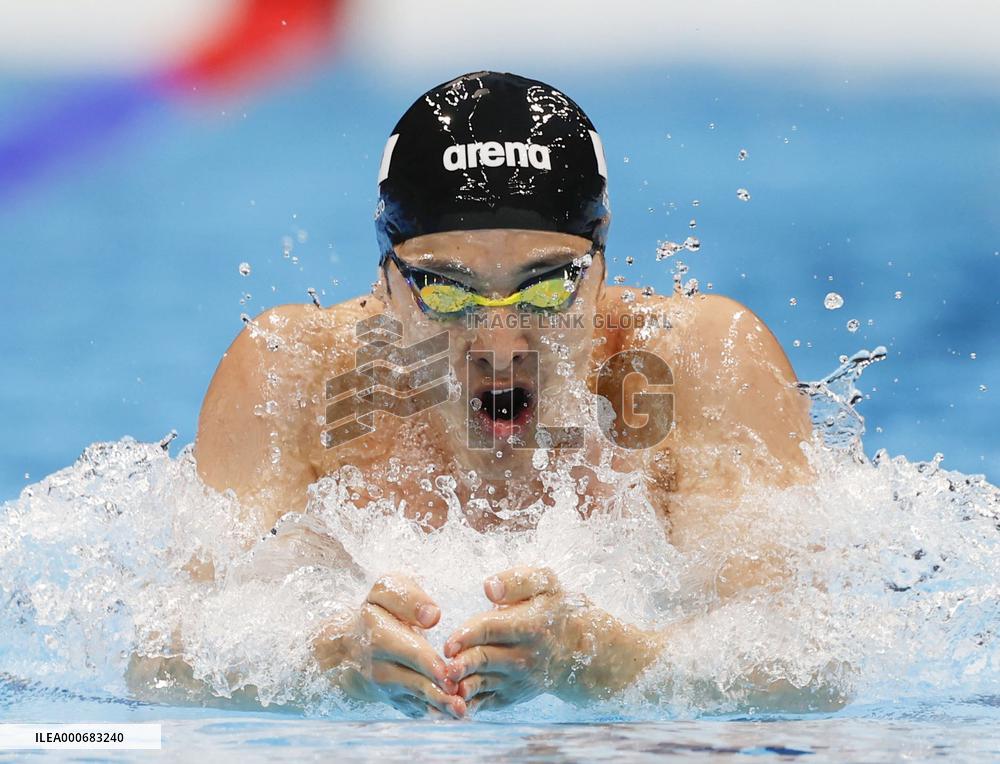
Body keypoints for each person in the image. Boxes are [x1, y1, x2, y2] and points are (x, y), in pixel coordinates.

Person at [131, 71, 823, 718]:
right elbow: (158, 659)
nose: (500, 344)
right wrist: (332, 659)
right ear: (387, 283)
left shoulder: (702, 359)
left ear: (602, 270)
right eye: (446, 289)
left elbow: (814, 658)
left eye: (547, 287)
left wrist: (615, 662)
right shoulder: (291, 376)